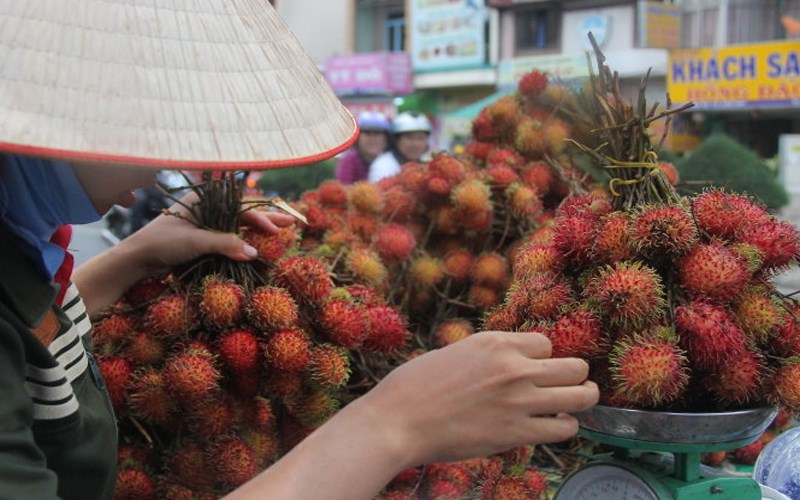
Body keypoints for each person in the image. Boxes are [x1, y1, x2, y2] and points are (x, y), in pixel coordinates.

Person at [0, 2, 599, 500]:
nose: (164, 163)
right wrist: (389, 425)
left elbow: (31, 339)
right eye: (150, 124)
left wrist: (134, 257)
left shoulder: (25, 244)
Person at [368, 111, 434, 182]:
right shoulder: (382, 166)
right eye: (409, 138)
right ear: (396, 140)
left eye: (421, 138)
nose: (415, 144)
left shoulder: (429, 162)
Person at [334, 111, 392, 184]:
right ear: (357, 138)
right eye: (367, 133)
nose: (372, 138)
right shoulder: (350, 159)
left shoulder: (392, 159)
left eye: (377, 133)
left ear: (386, 138)